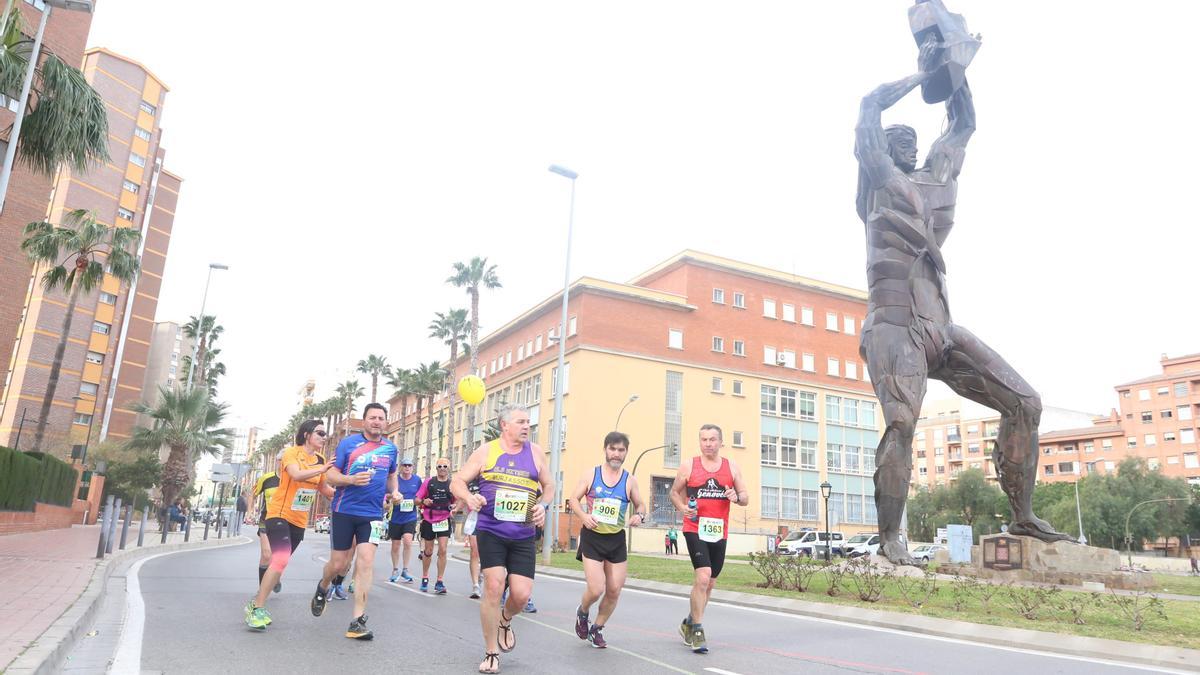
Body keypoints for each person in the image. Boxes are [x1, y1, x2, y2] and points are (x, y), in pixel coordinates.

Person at [854, 18, 1070, 565]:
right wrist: (919, 72)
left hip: (941, 328)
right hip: (894, 324)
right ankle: (891, 540)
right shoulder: (880, 184)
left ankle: (1022, 515)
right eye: (895, 142)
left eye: (910, 141)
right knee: (903, 422)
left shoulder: (936, 185)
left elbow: (963, 123)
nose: (903, 144)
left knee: (1024, 401)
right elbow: (868, 108)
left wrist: (954, 68)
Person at [451, 404, 553, 674]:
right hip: (491, 530)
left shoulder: (535, 453)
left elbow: (550, 485)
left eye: (528, 422)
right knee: (494, 586)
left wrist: (543, 505)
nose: (526, 426)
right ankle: (491, 652)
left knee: (521, 595)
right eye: (520, 421)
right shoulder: (487, 451)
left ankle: (505, 619)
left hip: (523, 533)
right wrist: (469, 497)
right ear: (504, 425)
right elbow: (457, 482)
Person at [310, 403, 400, 640]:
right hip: (344, 510)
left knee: (365, 562)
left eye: (381, 418)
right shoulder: (348, 444)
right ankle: (323, 585)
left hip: (372, 514)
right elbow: (330, 474)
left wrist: (396, 492)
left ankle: (357, 620)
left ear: (385, 422)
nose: (377, 421)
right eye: (372, 417)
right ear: (364, 421)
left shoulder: (390, 449)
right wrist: (350, 479)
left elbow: (391, 476)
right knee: (338, 564)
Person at [243, 420, 334, 630]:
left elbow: (325, 489)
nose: (324, 437)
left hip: (299, 521)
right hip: (279, 514)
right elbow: (295, 474)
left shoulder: (320, 459)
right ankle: (257, 608)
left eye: (325, 434)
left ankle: (255, 603)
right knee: (281, 558)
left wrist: (350, 491)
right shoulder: (291, 454)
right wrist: (322, 468)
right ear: (306, 435)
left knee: (279, 564)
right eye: (320, 433)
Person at [670, 424, 748, 654]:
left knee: (710, 582)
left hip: (718, 530)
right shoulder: (689, 465)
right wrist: (683, 508)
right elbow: (674, 492)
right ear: (700, 442)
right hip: (694, 527)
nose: (708, 444)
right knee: (702, 577)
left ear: (721, 442)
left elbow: (745, 497)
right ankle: (697, 631)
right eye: (704, 439)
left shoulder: (731, 467)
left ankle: (689, 622)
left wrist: (736, 496)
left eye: (712, 439)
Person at [567, 431, 647, 648]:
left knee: (614, 590)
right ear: (605, 450)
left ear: (626, 453)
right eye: (613, 449)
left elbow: (641, 504)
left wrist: (639, 515)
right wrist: (584, 516)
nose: (616, 454)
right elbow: (573, 499)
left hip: (616, 540)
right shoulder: (591, 475)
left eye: (621, 450)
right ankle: (582, 612)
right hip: (593, 537)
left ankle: (597, 628)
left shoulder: (630, 480)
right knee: (596, 588)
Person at [416, 457, 456, 593]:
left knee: (443, 550)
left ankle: (439, 581)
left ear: (449, 468)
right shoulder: (429, 482)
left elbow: (458, 501)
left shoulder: (452, 484)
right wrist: (423, 501)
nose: (442, 469)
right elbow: (417, 499)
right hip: (429, 519)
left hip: (444, 519)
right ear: (436, 468)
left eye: (445, 466)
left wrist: (454, 507)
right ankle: (425, 577)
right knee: (428, 551)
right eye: (440, 466)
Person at [387, 457, 422, 584]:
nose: (407, 467)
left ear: (412, 467)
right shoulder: (395, 480)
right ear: (401, 467)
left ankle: (405, 569)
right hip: (396, 517)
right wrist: (393, 497)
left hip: (410, 516)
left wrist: (419, 502)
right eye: (405, 465)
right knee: (395, 545)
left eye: (409, 465)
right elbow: (386, 495)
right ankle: (395, 569)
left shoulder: (417, 480)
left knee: (408, 541)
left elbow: (420, 496)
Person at [253, 453, 282, 592]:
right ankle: (262, 589)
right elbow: (252, 493)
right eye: (282, 460)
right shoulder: (266, 478)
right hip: (266, 519)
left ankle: (275, 577)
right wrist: (248, 510)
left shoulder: (294, 480)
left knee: (279, 557)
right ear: (277, 461)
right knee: (266, 554)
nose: (284, 463)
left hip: (284, 522)